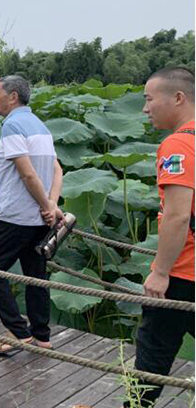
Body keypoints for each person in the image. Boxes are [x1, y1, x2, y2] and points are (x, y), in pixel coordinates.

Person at [125, 67, 194, 407]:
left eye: (150, 99)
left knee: (150, 361)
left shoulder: (178, 143)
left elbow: (179, 214)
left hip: (182, 274)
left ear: (178, 98)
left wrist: (161, 271)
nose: (145, 108)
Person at [0, 75, 64, 355]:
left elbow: (27, 173)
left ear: (12, 96)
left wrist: (46, 204)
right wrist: (51, 205)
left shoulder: (13, 125)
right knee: (35, 277)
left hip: (15, 216)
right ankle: (41, 336)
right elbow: (57, 170)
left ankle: (18, 332)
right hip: (40, 220)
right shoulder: (40, 125)